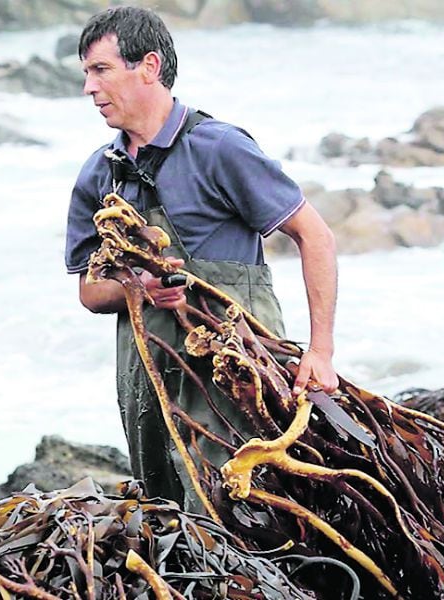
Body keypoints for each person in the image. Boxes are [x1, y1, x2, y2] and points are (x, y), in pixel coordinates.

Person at [64, 6, 338, 508]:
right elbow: (88, 290)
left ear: (148, 67)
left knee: (244, 516)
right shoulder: (97, 175)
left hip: (238, 377)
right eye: (86, 73)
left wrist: (320, 352)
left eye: (100, 70)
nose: (89, 88)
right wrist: (137, 290)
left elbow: (314, 236)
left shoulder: (219, 148)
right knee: (167, 520)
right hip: (146, 383)